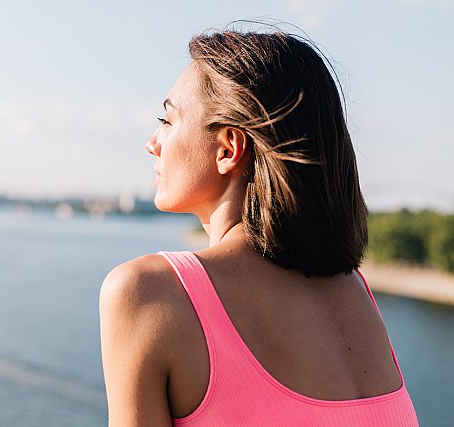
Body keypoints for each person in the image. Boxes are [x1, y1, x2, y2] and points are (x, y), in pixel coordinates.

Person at [99, 28, 419, 426]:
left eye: (167, 118)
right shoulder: (355, 290)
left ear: (228, 149)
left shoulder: (148, 292)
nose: (152, 142)